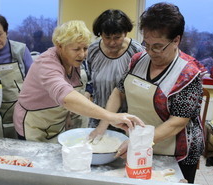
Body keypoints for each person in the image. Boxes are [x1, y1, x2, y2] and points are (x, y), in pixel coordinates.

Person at [90, 3, 207, 183]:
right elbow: (118, 92)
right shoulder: (138, 59)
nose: (151, 52)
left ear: (176, 40)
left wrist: (140, 143)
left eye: (158, 46)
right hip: (140, 144)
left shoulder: (188, 74)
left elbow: (177, 123)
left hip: (175, 153)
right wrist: (103, 125)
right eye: (147, 44)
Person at [13, 20, 144, 143]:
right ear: (59, 46)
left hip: (56, 122)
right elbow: (65, 96)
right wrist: (110, 116)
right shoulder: (46, 64)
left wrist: (69, 114)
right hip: (33, 123)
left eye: (85, 48)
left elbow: (76, 91)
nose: (82, 55)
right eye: (76, 49)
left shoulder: (73, 62)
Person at [86, 9, 144, 135]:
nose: (112, 43)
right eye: (107, 37)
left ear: (126, 32)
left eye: (117, 37)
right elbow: (89, 82)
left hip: (126, 120)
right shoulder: (93, 50)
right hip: (98, 116)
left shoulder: (137, 52)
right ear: (100, 34)